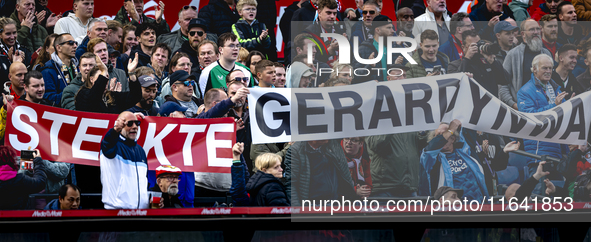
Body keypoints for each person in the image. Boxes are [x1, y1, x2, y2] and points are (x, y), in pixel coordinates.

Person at [517, 54, 570, 193]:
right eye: (544, 68)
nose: (548, 71)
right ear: (534, 69)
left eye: (551, 68)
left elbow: (563, 116)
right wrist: (554, 105)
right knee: (539, 197)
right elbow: (531, 118)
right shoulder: (524, 91)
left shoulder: (556, 88)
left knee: (557, 195)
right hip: (538, 153)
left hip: (557, 152)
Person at [420, 119, 488, 202]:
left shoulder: (465, 153)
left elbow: (469, 131)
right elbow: (429, 151)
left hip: (477, 203)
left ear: (453, 139)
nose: (442, 138)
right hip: (453, 206)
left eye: (446, 135)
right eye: (438, 135)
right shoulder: (432, 160)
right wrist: (450, 130)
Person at [285, 139, 356, 206]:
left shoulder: (333, 145)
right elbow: (291, 184)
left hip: (335, 203)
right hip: (311, 207)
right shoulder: (296, 150)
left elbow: (345, 175)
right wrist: (298, 212)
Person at [100, 111, 148, 209]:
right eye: (129, 124)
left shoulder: (141, 150)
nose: (134, 126)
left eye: (137, 123)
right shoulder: (113, 145)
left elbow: (144, 181)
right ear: (120, 127)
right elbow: (107, 143)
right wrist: (115, 130)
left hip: (141, 212)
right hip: (116, 212)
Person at [501, 19, 552, 110]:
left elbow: (551, 81)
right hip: (520, 111)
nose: (536, 32)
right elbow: (502, 84)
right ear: (523, 34)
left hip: (545, 109)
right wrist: (514, 105)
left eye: (538, 29)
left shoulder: (546, 53)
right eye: (532, 29)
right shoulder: (513, 55)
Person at [448, 31, 510, 96]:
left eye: (479, 44)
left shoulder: (487, 62)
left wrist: (493, 62)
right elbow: (454, 87)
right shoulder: (454, 65)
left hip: (490, 104)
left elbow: (505, 80)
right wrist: (467, 58)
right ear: (463, 47)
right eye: (473, 45)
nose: (477, 47)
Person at [75, 58, 141, 114]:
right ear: (91, 79)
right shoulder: (83, 94)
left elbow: (135, 97)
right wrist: (104, 71)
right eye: (101, 76)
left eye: (107, 77)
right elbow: (94, 98)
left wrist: (131, 73)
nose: (105, 80)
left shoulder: (112, 96)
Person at [352, 15, 403, 83]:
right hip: (373, 92)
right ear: (377, 30)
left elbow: (408, 73)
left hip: (394, 90)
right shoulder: (363, 49)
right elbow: (355, 76)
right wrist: (369, 66)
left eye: (392, 28)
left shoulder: (397, 48)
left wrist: (396, 67)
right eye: (388, 28)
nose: (393, 31)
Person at [199, 33, 252, 97]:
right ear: (220, 50)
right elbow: (203, 99)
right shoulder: (208, 71)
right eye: (231, 46)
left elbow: (250, 98)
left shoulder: (246, 71)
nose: (235, 49)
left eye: (237, 46)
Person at [40, 33, 78, 106]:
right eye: (70, 43)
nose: (75, 46)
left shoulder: (77, 67)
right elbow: (49, 99)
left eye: (75, 43)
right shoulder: (47, 70)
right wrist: (73, 92)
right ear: (59, 48)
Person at [304, 0, 346, 66]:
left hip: (339, 71)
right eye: (328, 13)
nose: (332, 16)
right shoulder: (310, 32)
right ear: (319, 12)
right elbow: (308, 59)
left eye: (334, 13)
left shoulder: (340, 31)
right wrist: (329, 51)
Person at [0, 17, 32, 84]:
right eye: (8, 34)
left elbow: (30, 78)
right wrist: (8, 61)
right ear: (0, 35)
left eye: (14, 33)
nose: (12, 37)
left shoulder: (25, 51)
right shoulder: (1, 55)